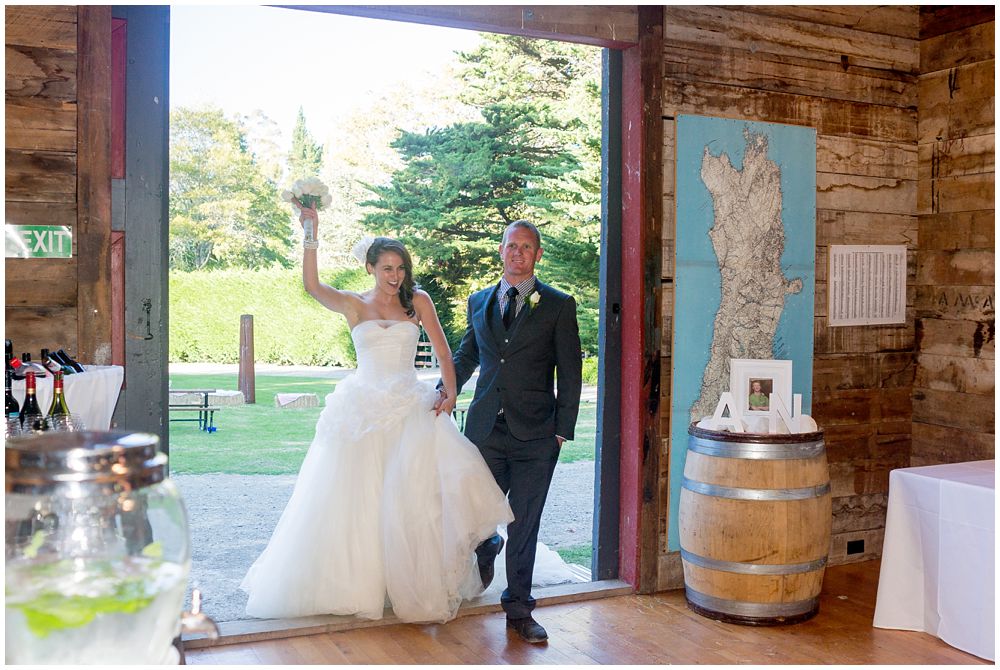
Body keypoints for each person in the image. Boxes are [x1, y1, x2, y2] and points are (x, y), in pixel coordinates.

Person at [240, 202, 513, 624]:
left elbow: (444, 352)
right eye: (387, 268)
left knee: (416, 499)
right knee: (359, 498)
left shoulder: (417, 301)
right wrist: (310, 231)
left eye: (401, 268)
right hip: (362, 410)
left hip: (409, 407)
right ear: (370, 268)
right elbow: (312, 285)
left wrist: (450, 392)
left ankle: (426, 574)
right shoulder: (353, 305)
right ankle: (367, 582)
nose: (395, 276)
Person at [437, 220, 582, 643]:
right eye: (511, 245)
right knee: (476, 514)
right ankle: (486, 549)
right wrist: (444, 391)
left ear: (537, 254)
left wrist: (562, 432)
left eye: (527, 246)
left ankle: (519, 610)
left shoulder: (558, 304)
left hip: (537, 435)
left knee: (525, 524)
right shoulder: (479, 301)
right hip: (484, 431)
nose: (518, 252)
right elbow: (466, 356)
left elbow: (570, 373)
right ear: (500, 251)